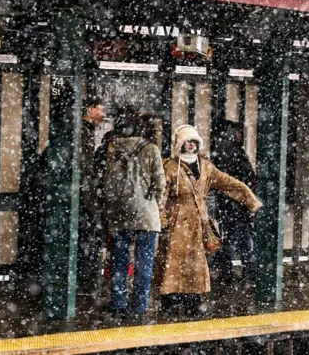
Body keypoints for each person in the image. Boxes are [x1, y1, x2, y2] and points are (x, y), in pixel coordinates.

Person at [157, 125, 262, 318]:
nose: (191, 145)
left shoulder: (205, 166)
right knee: (174, 263)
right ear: (180, 143)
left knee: (195, 264)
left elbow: (227, 182)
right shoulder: (170, 167)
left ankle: (191, 302)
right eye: (187, 141)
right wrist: (162, 219)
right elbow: (161, 196)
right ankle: (172, 302)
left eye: (194, 142)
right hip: (176, 222)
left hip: (198, 223)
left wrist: (250, 200)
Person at [102, 107, 166, 316]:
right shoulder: (151, 149)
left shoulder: (113, 147)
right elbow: (160, 183)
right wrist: (151, 202)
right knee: (144, 262)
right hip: (146, 215)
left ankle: (119, 303)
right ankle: (139, 305)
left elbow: (107, 182)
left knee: (119, 260)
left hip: (120, 213)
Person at [211, 120, 258, 283]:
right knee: (242, 238)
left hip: (227, 203)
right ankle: (246, 270)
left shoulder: (220, 150)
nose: (240, 135)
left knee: (229, 237)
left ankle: (227, 271)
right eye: (238, 132)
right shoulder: (234, 151)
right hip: (236, 203)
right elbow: (247, 176)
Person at [77, 99, 106, 296]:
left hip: (83, 196)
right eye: (100, 110)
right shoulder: (82, 133)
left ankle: (84, 282)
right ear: (90, 110)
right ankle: (85, 283)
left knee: (86, 241)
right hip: (83, 197)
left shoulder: (83, 132)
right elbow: (85, 168)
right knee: (87, 241)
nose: (103, 115)